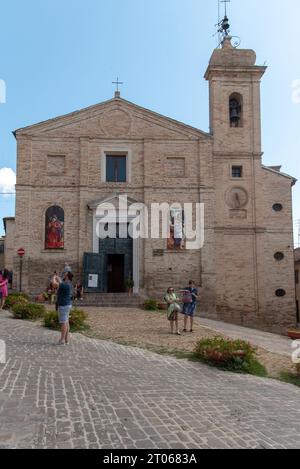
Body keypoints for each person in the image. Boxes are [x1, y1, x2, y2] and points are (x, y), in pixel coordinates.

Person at [57, 271, 73, 345]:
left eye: (65, 274)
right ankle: (66, 339)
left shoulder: (66, 284)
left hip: (63, 305)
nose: (63, 275)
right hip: (67, 304)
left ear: (67, 276)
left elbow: (56, 283)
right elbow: (60, 282)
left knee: (64, 323)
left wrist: (55, 277)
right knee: (66, 322)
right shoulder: (68, 283)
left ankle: (62, 339)